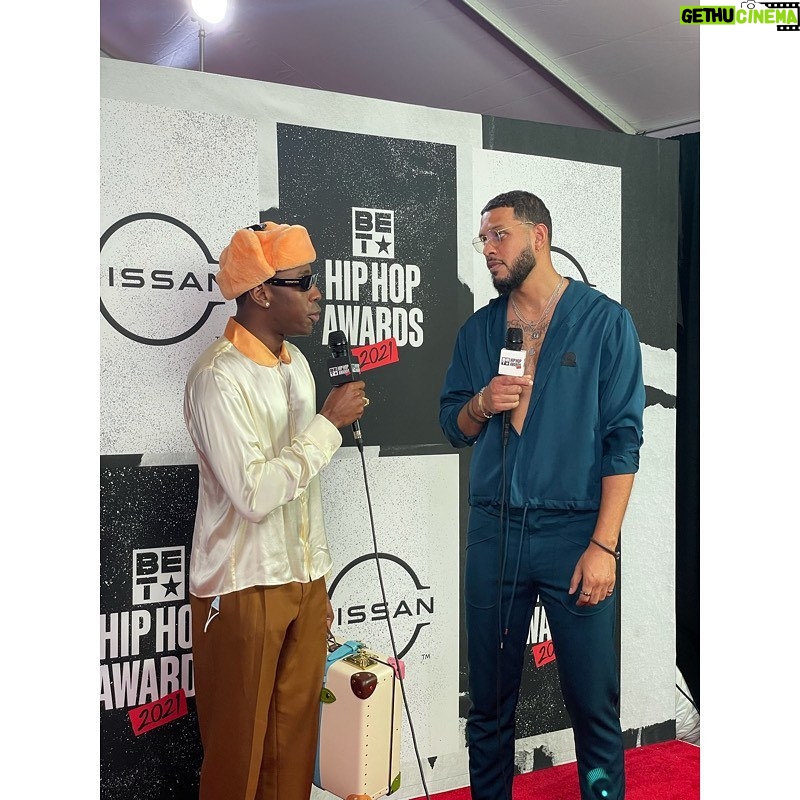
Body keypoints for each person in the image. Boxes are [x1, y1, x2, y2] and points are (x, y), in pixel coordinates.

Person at [439, 191, 645, 800]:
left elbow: (623, 442)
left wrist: (603, 545)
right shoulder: (479, 329)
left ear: (540, 236)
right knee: (489, 708)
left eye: (499, 235)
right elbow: (453, 424)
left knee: (592, 707)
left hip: (574, 536)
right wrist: (481, 403)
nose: (489, 250)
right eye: (483, 240)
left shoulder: (606, 321)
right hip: (494, 533)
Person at [183, 221, 368, 800]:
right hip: (241, 587)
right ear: (262, 292)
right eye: (304, 282)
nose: (318, 293)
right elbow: (254, 494)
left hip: (305, 583)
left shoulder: (299, 365)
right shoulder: (217, 376)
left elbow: (301, 483)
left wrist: (317, 579)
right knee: (237, 758)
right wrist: (327, 426)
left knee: (292, 754)